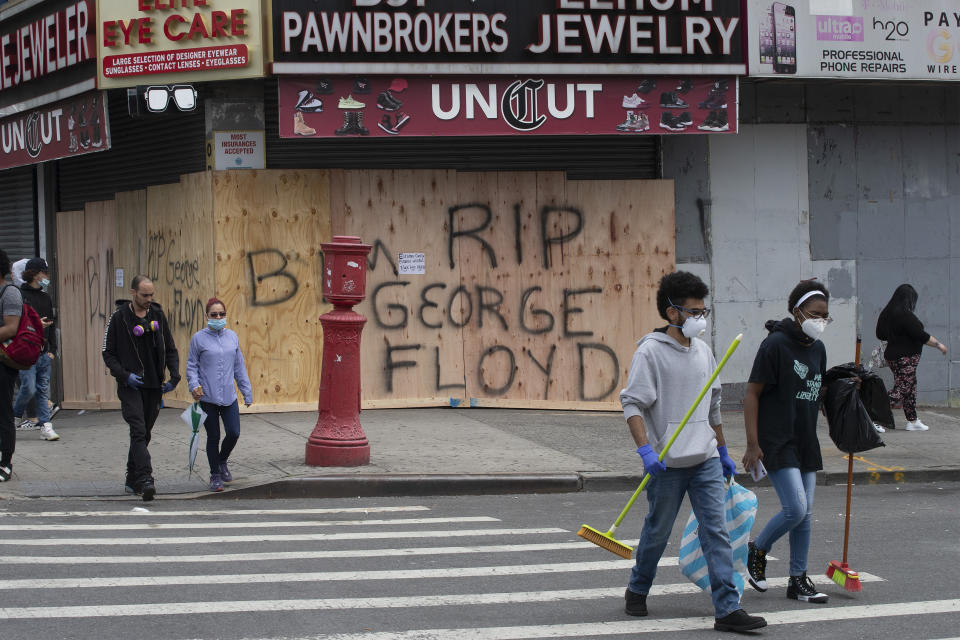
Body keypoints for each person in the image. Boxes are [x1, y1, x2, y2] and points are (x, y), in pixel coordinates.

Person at [620, 271, 766, 633]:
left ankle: (728, 609)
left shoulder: (704, 351)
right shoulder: (649, 353)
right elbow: (632, 405)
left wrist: (723, 450)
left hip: (705, 461)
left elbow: (713, 406)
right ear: (672, 313)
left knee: (715, 532)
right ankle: (638, 588)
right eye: (694, 311)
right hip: (666, 464)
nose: (700, 318)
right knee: (657, 531)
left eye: (704, 311)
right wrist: (645, 452)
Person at [742, 279, 831, 605]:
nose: (821, 320)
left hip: (805, 438)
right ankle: (757, 551)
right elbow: (751, 394)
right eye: (816, 313)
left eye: (826, 315)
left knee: (805, 514)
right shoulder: (775, 345)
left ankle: (798, 579)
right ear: (798, 311)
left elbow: (816, 391)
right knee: (795, 507)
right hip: (776, 439)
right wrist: (753, 444)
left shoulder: (818, 349)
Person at [102, 275, 180, 501]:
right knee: (137, 429)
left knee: (143, 433)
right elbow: (108, 353)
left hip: (154, 384)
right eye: (145, 295)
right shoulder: (119, 318)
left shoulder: (157, 315)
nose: (149, 299)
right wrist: (125, 375)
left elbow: (170, 347)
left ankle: (131, 477)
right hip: (131, 386)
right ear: (133, 293)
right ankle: (146, 478)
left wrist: (174, 376)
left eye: (151, 294)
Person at [186, 298, 253, 492]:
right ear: (207, 316)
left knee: (234, 432)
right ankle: (215, 475)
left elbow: (239, 366)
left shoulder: (232, 337)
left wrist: (246, 392)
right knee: (213, 436)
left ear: (226, 315)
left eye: (221, 314)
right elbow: (191, 366)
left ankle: (222, 460)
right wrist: (194, 385)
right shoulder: (198, 338)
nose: (218, 317)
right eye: (214, 315)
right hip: (208, 397)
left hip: (229, 396)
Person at [875, 284, 947, 431]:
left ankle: (913, 421)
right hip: (905, 358)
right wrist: (939, 345)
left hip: (893, 357)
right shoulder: (905, 315)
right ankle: (871, 417)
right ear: (909, 299)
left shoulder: (887, 313)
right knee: (902, 389)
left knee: (910, 387)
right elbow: (921, 335)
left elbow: (880, 334)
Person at [12, 258, 59, 441]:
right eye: (44, 272)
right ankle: (15, 417)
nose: (46, 276)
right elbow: (14, 323)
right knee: (29, 387)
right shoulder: (19, 295)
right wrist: (35, 324)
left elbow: (52, 325)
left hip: (43, 351)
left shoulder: (45, 297)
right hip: (25, 352)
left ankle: (46, 426)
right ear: (34, 273)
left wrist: (52, 349)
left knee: (42, 390)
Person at [1, 249, 23, 482]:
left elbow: (11, 328)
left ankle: (5, 461)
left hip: (4, 364)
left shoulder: (9, 294)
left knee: (4, 412)